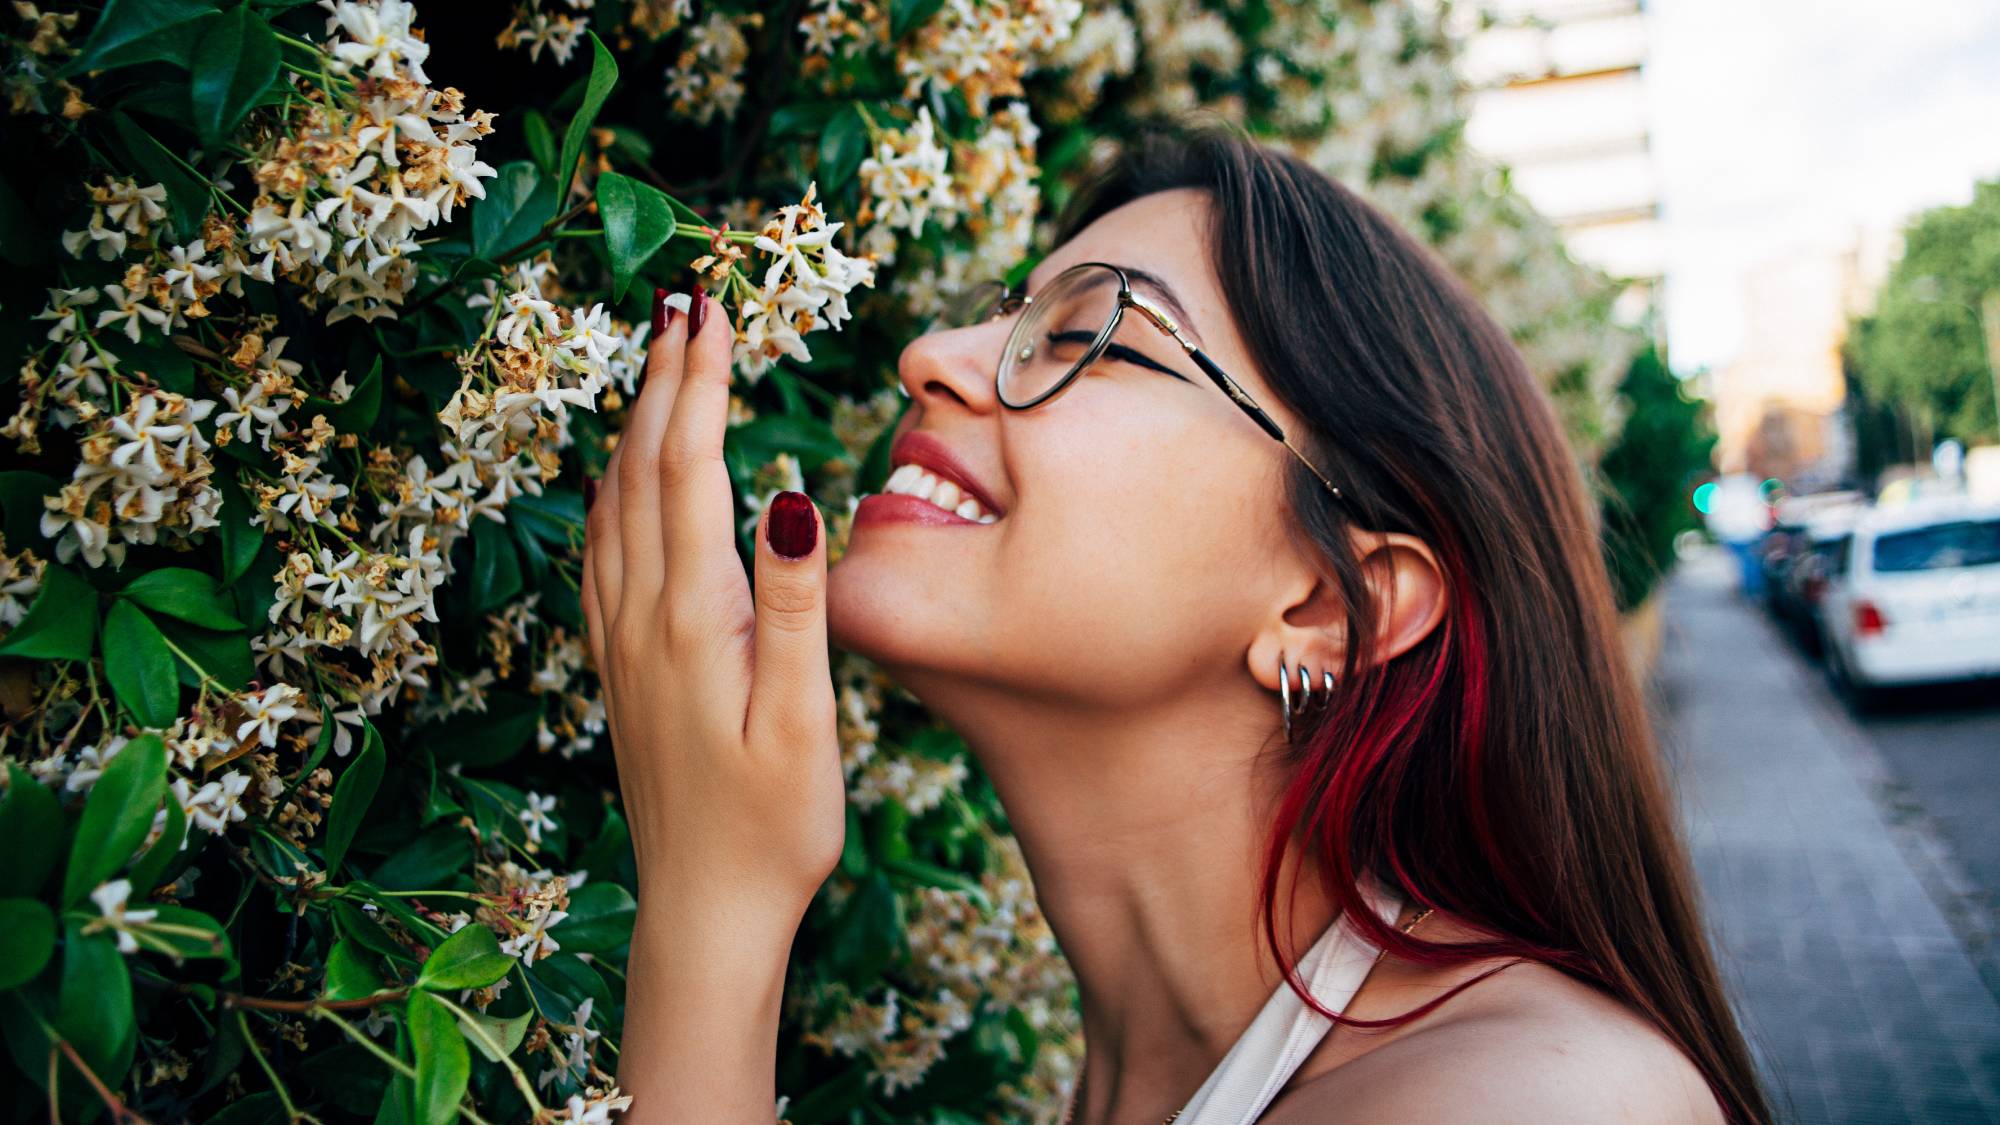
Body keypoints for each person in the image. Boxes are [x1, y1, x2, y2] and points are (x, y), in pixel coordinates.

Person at [581, 123, 1767, 1123]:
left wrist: (711, 917)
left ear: (1325, 608)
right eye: (1000, 317)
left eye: (1089, 336)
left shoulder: (1536, 1101)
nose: (926, 356)